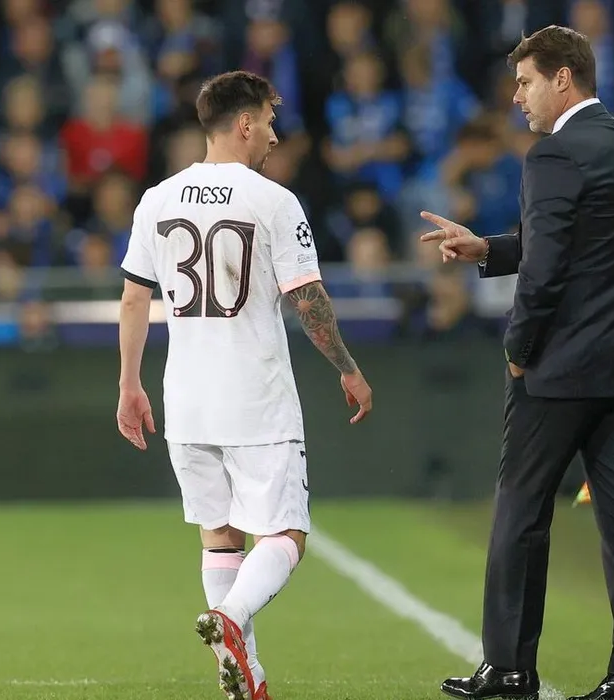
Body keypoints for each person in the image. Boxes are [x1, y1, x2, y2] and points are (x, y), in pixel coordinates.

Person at [421, 25, 614, 700]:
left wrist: (518, 349)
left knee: (520, 512)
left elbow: (546, 270)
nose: (517, 97)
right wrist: (488, 249)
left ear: (563, 78)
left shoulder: (553, 154)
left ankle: (509, 668)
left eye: (526, 82)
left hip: (563, 368)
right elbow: (588, 244)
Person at [115, 70, 374, 700]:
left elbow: (134, 299)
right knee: (286, 535)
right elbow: (307, 299)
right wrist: (346, 366)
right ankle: (231, 618)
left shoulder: (156, 199)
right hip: (255, 396)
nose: (275, 136)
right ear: (245, 123)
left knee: (219, 536)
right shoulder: (273, 201)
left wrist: (128, 384)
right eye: (270, 122)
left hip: (186, 399)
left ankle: (244, 677)